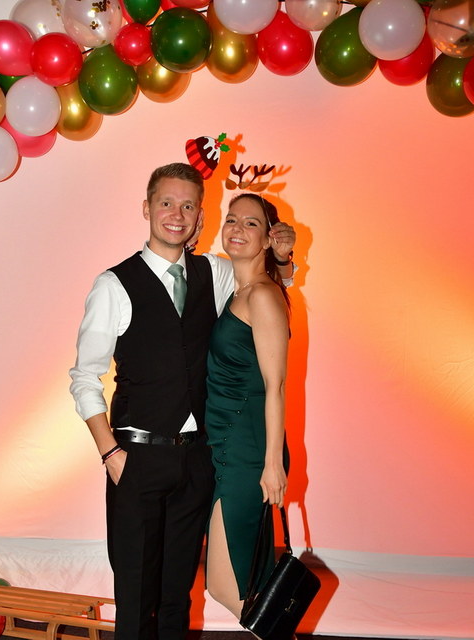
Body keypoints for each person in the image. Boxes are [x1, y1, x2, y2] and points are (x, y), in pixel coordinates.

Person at [68, 163, 295, 640]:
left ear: (199, 217)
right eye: (167, 203)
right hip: (136, 458)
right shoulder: (113, 285)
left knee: (177, 597)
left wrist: (285, 255)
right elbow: (84, 378)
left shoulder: (215, 272)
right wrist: (111, 453)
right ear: (147, 208)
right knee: (136, 598)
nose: (177, 214)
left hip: (197, 461)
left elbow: (266, 288)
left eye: (188, 205)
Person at [204, 193, 291, 620]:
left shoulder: (262, 296)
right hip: (226, 446)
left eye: (251, 223)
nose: (237, 228)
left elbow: (276, 386)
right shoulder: (239, 290)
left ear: (268, 238)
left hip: (248, 453)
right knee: (243, 585)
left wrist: (272, 464)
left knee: (229, 587)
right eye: (232, 219)